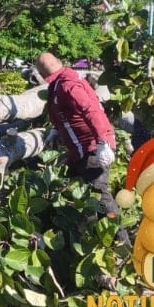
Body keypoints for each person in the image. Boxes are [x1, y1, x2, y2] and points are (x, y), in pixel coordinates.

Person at [36, 52, 121, 221]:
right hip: (79, 151)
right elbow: (63, 111)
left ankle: (121, 242)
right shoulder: (59, 83)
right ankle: (87, 233)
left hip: (91, 148)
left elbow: (92, 111)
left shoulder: (68, 85)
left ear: (42, 74)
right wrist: (56, 129)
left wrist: (103, 141)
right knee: (75, 192)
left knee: (100, 197)